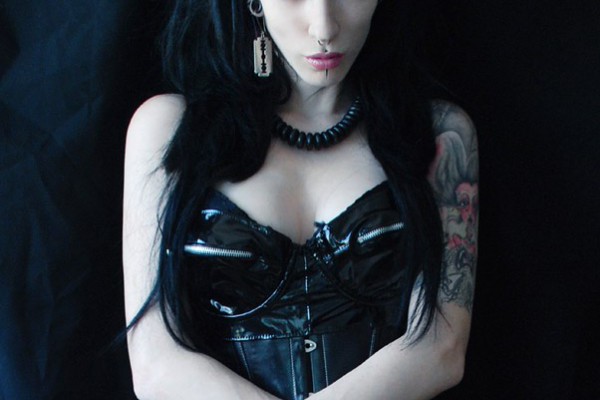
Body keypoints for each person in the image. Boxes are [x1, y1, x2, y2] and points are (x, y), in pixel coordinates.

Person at [122, 0, 478, 399]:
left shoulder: (440, 134)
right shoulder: (168, 130)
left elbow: (441, 347)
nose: (324, 27)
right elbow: (155, 362)